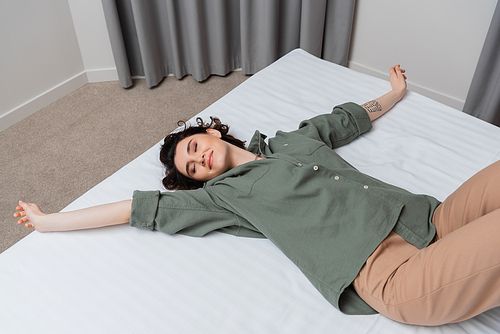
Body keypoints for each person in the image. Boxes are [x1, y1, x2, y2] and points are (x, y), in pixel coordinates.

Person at [14, 65, 500, 326]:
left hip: (429, 219)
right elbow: (139, 210)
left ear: (208, 132)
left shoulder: (292, 141)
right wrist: (49, 219)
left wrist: (392, 93)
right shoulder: (225, 197)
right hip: (392, 273)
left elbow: (345, 119)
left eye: (193, 148)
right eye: (190, 168)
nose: (197, 160)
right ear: (197, 182)